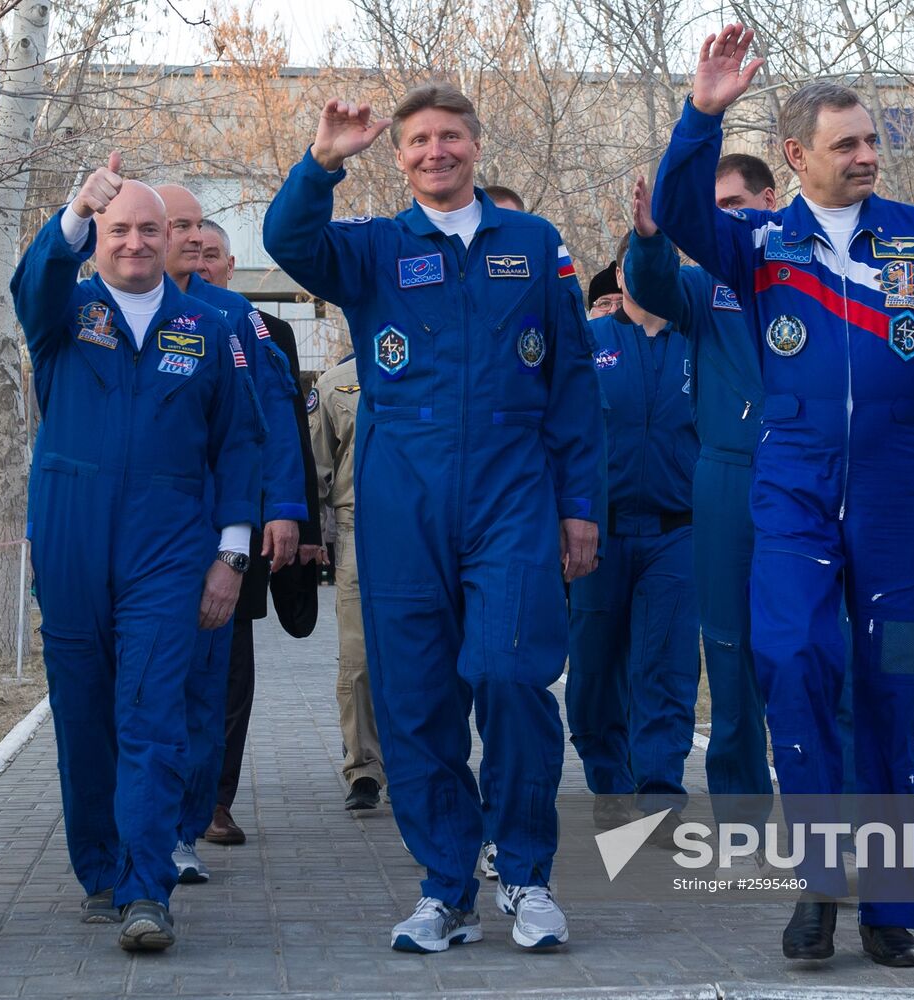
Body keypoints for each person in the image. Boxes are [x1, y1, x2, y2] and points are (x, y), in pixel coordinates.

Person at [651, 28, 914, 968]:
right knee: (790, 662)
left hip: (895, 494)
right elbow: (674, 209)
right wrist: (701, 114)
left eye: (873, 141)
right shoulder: (757, 242)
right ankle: (819, 878)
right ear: (797, 157)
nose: (868, 155)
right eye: (848, 144)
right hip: (790, 485)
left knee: (886, 687)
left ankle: (886, 905)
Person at [264, 82, 603, 953]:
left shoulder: (532, 244)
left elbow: (570, 384)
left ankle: (524, 875)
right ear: (400, 154)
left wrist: (580, 508)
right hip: (400, 498)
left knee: (511, 675)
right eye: (416, 141)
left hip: (511, 492)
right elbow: (287, 240)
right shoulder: (374, 248)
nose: (434, 153)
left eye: (449, 137)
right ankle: (445, 887)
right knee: (414, 700)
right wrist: (323, 162)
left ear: (476, 146)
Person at [11, 152, 262, 952]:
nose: (134, 243)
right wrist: (75, 211)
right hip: (73, 537)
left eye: (149, 230)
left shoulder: (212, 329)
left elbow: (240, 448)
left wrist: (231, 555)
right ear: (98, 238)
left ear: (171, 238)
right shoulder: (64, 313)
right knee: (85, 715)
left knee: (152, 714)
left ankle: (147, 887)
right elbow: (34, 282)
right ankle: (102, 872)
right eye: (118, 230)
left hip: (168, 544)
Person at [621, 156, 778, 855]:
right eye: (709, 208)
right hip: (725, 481)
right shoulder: (702, 284)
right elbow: (649, 285)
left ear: (771, 200)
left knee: (818, 653)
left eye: (734, 203)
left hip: (811, 475)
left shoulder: (810, 270)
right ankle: (742, 815)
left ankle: (832, 808)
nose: (721, 219)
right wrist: (652, 237)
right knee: (729, 647)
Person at [154, 184, 309, 886]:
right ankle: (137, 822)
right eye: (174, 227)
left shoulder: (235, 319)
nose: (189, 242)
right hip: (134, 532)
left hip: (220, 532)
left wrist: (282, 509)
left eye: (198, 230)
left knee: (212, 680)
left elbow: (269, 423)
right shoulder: (110, 308)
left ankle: (194, 816)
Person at [193, 218, 326, 845]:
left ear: (229, 262)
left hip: (243, 528)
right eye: (188, 245)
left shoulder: (262, 330)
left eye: (212, 253)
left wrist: (295, 518)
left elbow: (287, 431)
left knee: (231, 668)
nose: (202, 261)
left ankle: (216, 800)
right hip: (174, 523)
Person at [566, 233, 700, 841]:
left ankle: (660, 791)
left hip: (678, 533)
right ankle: (609, 785)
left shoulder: (700, 341)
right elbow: (564, 434)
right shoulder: (589, 342)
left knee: (666, 665)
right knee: (595, 670)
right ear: (619, 275)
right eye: (637, 264)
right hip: (600, 534)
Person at [309, 352, 387, 811]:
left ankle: (418, 762)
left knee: (420, 652)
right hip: (359, 526)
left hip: (422, 524)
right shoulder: (336, 382)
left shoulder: (430, 359)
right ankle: (363, 769)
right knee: (357, 657)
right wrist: (313, 537)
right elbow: (317, 463)